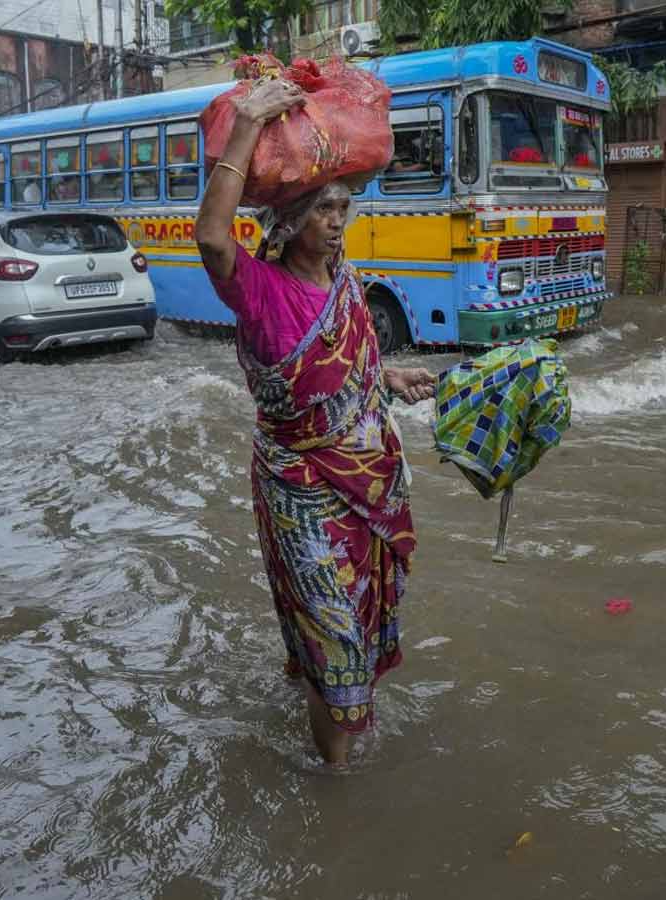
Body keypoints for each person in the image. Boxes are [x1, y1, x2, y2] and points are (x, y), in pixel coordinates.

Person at [196, 78, 435, 767]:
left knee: (356, 614)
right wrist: (248, 126)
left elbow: (345, 362)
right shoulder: (260, 290)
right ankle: (336, 779)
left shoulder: (346, 282)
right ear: (289, 219)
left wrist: (386, 377)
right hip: (299, 491)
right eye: (322, 208)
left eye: (342, 206)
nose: (336, 220)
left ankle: (333, 730)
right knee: (334, 637)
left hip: (364, 486)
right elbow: (212, 237)